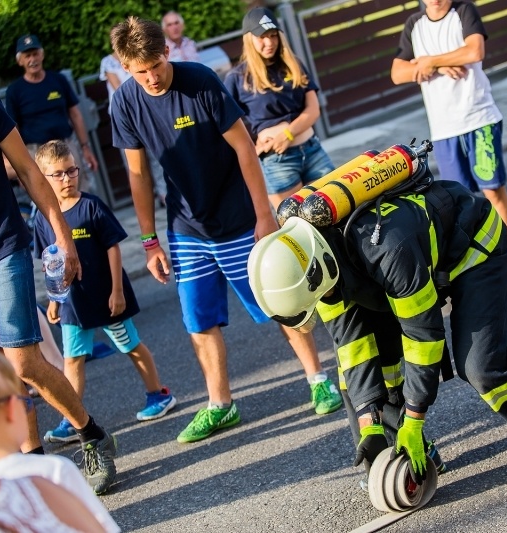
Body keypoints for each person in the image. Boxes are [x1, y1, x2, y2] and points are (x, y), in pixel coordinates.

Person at [248, 166, 507, 483]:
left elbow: (423, 339)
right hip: (392, 272)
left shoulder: (386, 249)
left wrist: (414, 419)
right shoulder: (312, 263)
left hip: (471, 247)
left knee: (480, 366)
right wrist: (369, 424)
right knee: (362, 373)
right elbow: (352, 349)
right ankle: (403, 454)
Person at [109, 16, 342, 444]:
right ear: (125, 67)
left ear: (166, 52)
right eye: (140, 72)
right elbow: (137, 175)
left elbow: (245, 150)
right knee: (199, 321)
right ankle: (221, 405)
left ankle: (319, 380)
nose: (151, 78)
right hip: (186, 226)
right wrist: (149, 241)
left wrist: (264, 215)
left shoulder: (200, 81)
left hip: (237, 218)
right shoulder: (125, 103)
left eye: (156, 66)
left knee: (281, 304)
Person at [0, 85, 118, 495]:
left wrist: (64, 238)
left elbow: (29, 171)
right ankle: (34, 466)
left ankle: (90, 435)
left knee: (22, 362)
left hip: (2, 247)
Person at [33, 139, 177, 442]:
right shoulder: (43, 219)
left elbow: (113, 248)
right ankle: (72, 418)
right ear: (42, 178)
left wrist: (117, 291)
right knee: (72, 360)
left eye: (72, 170)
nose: (67, 178)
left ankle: (159, 394)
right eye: (58, 174)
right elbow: (51, 263)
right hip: (73, 305)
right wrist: (54, 301)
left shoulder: (91, 206)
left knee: (130, 346)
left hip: (107, 298)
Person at [390, 0, 507, 287]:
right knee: (458, 202)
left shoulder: (463, 11)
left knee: (493, 191)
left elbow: (474, 51)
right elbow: (397, 73)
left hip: (480, 120)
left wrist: (429, 61)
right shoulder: (414, 25)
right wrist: (441, 63)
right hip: (443, 129)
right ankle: (476, 264)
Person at [0, 345, 119, 533]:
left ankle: (89, 434)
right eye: (23, 400)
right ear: (11, 410)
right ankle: (90, 435)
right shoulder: (48, 475)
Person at [225, 7, 335, 209]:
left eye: (273, 35)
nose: (269, 42)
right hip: (277, 162)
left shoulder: (293, 64)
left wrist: (287, 134)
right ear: (249, 38)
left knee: (337, 209)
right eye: (262, 37)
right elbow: (226, 124)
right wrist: (252, 148)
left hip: (313, 150)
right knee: (295, 221)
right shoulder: (238, 77)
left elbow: (313, 110)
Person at [5, 35, 98, 193]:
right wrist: (20, 167)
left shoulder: (58, 80)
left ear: (42, 55)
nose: (32, 59)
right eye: (27, 56)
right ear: (20, 61)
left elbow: (75, 115)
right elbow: (14, 130)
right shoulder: (14, 91)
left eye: (35, 54)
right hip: (36, 152)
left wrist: (85, 147)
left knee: (80, 191)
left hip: (66, 145)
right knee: (48, 196)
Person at [100, 50, 168, 206]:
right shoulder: (108, 62)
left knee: (155, 155)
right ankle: (145, 199)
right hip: (125, 115)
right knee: (134, 163)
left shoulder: (140, 56)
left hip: (146, 112)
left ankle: (163, 193)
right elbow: (120, 90)